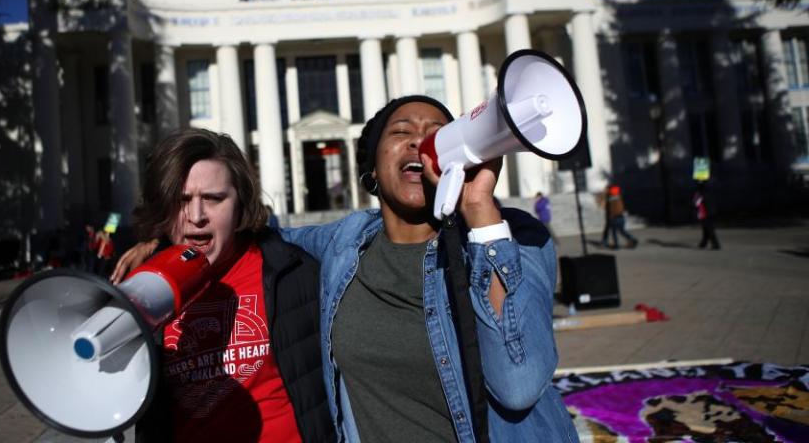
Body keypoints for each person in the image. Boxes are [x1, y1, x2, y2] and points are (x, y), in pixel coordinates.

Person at [118, 96, 578, 442]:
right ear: (372, 170)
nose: (422, 139)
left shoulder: (513, 238)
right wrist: (162, 242)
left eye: (439, 130)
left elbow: (518, 385)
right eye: (402, 131)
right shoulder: (344, 244)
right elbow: (254, 230)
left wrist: (479, 211)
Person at [112, 128, 333, 442]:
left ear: (240, 203)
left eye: (213, 199)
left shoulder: (295, 272)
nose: (196, 216)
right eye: (181, 200)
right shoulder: (140, 285)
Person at [600, 183, 638, 249]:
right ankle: (631, 238)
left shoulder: (609, 198)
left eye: (607, 189)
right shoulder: (618, 195)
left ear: (609, 190)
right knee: (622, 231)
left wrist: (604, 194)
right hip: (621, 216)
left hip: (614, 217)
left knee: (614, 232)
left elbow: (604, 206)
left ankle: (616, 245)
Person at [692, 182, 720, 250]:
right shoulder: (708, 191)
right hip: (708, 211)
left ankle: (715, 244)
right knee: (706, 227)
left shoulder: (701, 192)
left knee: (708, 228)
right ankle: (704, 243)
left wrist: (695, 200)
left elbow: (696, 202)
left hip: (705, 212)